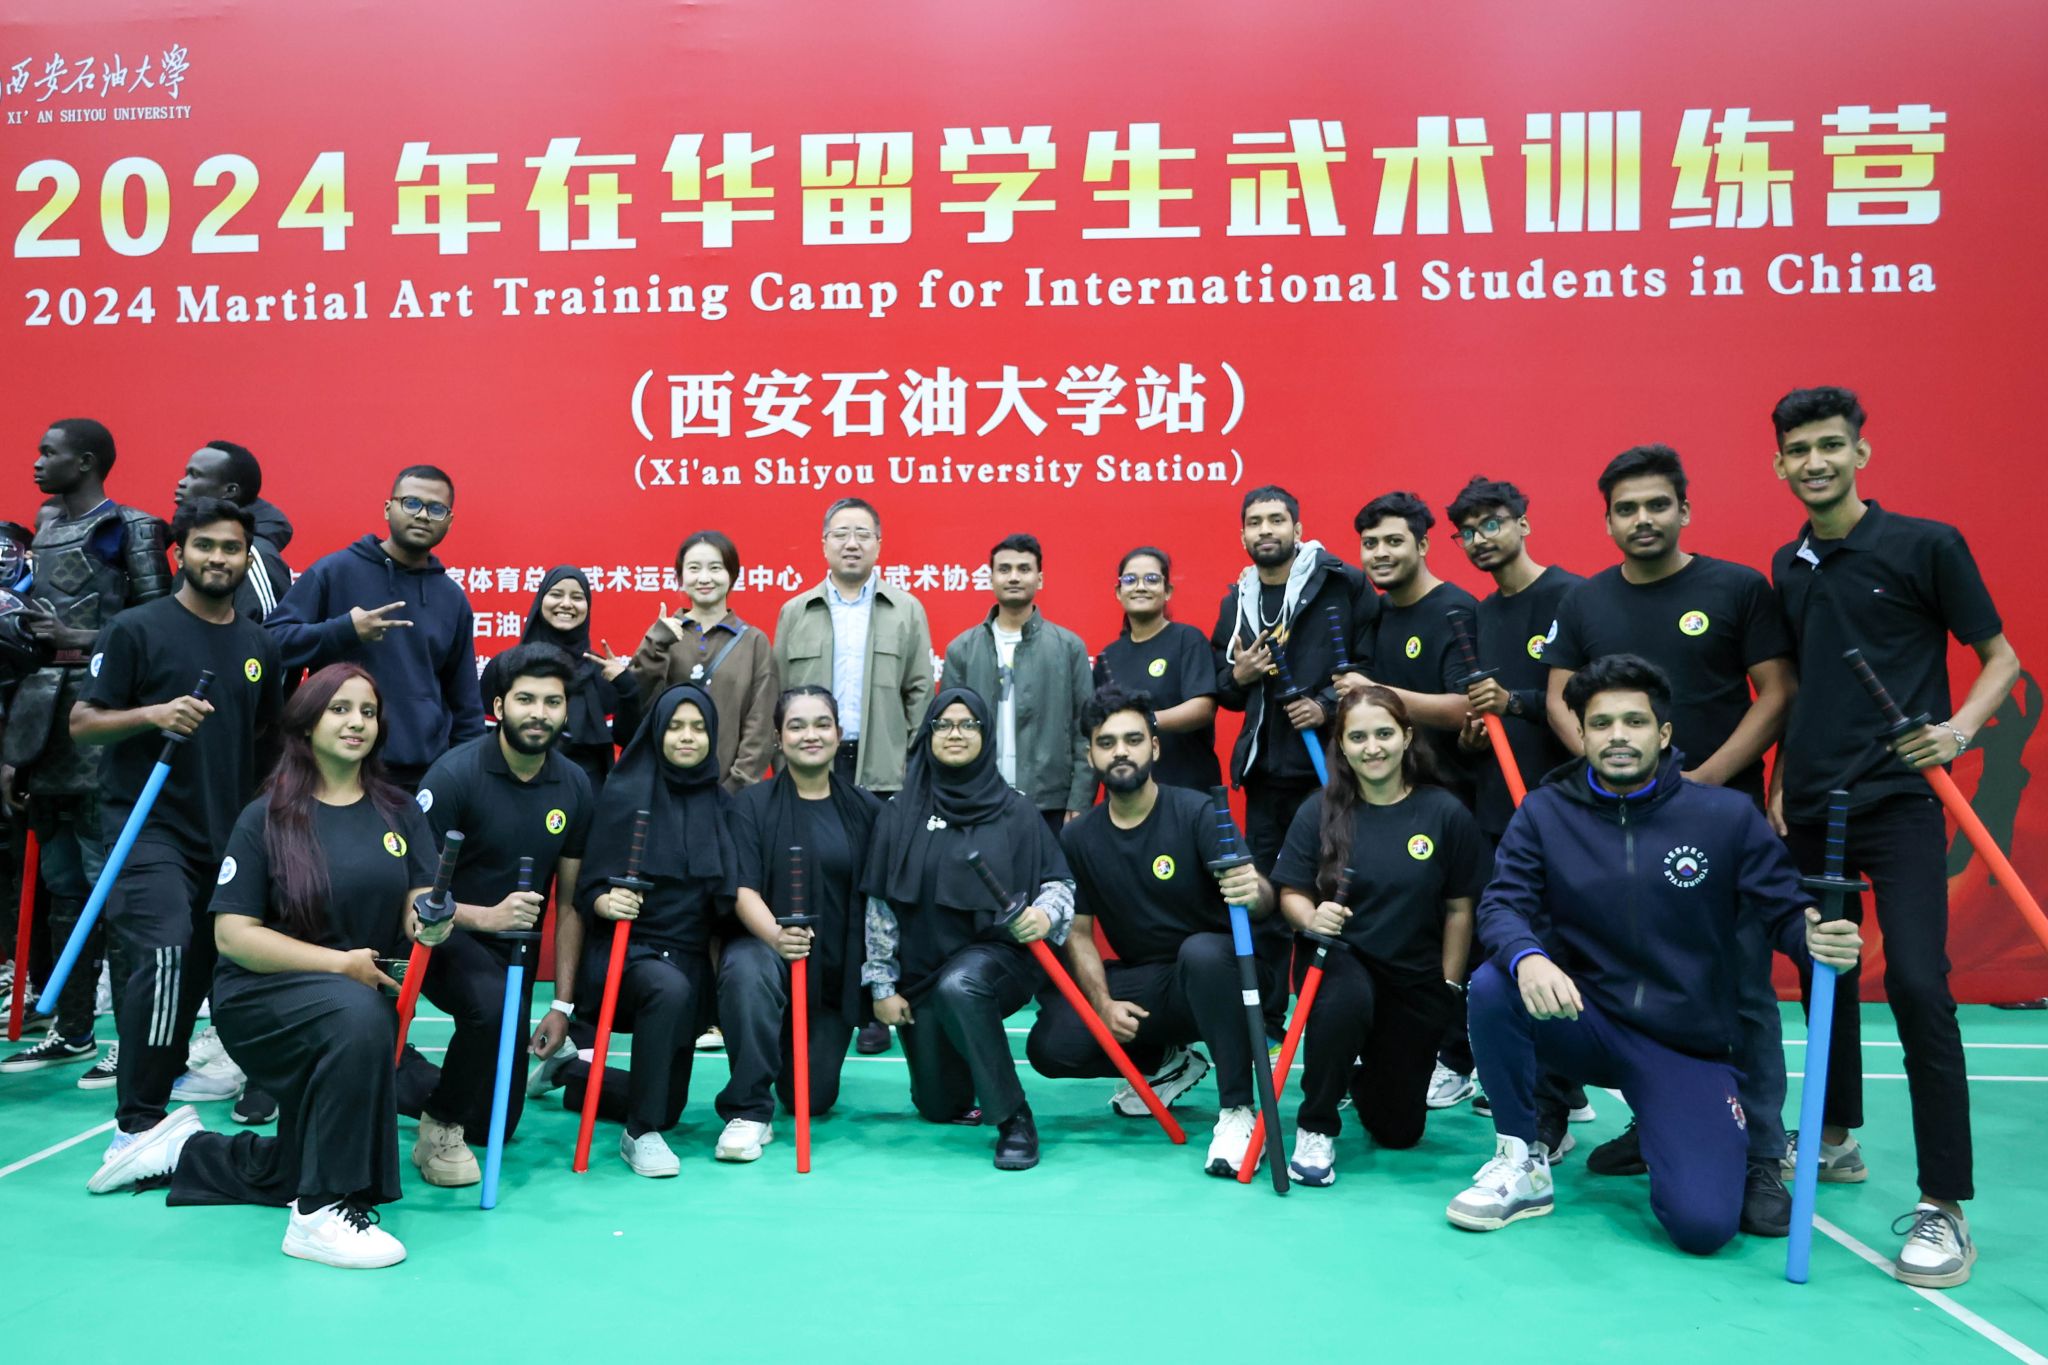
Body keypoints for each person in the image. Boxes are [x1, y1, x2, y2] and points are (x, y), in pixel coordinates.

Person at [1445, 654, 1862, 1256]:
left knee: (1703, 1227)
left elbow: (1784, 911)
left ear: (1663, 733)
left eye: (1634, 722)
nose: (1618, 736)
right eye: (1602, 723)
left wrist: (1815, 938)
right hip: (1585, 1022)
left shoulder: (1725, 816)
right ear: (1581, 734)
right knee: (1495, 983)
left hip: (1682, 1045)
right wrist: (1526, 956)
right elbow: (1501, 904)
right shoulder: (1544, 812)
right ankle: (1521, 1160)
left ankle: (1668, 1130)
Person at [1769, 385, 2019, 1287]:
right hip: (1814, 807)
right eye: (1800, 450)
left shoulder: (1925, 544)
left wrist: (1956, 732)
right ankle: (1834, 1138)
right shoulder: (1789, 563)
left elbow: (2001, 659)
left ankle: (1944, 1203)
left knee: (1917, 982)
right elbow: (1801, 684)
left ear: (1861, 454)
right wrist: (1784, 779)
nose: (1816, 462)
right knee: (1822, 977)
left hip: (1901, 802)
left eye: (1831, 446)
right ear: (1780, 464)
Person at [84, 664, 444, 1271]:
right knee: (361, 1017)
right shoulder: (266, 816)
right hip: (263, 997)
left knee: (292, 1165)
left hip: (352, 993)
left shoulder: (399, 811)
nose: (356, 722)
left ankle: (181, 1150)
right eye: (339, 709)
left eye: (368, 712)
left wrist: (431, 921)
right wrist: (339, 965)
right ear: (306, 724)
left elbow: (418, 899)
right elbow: (233, 935)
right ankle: (319, 1215)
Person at [1543, 443, 1799, 1219]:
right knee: (1631, 981)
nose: (1643, 519)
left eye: (1657, 504)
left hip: (1720, 827)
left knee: (1743, 990)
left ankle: (1762, 1156)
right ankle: (1654, 1121)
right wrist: (1615, 777)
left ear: (1684, 509)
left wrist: (1699, 782)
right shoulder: (1586, 601)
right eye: (1626, 508)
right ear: (1608, 521)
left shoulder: (1737, 588)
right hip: (1618, 830)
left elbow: (1777, 691)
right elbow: (1558, 697)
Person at [68, 498, 282, 1165]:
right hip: (147, 827)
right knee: (163, 952)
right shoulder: (135, 629)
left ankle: (165, 1108)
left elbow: (264, 738)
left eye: (231, 547)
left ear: (247, 557)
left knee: (198, 973)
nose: (218, 558)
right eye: (204, 545)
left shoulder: (257, 643)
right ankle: (136, 1124)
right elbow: (83, 722)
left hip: (226, 836)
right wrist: (154, 714)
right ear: (179, 551)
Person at [1025, 686, 1275, 1177]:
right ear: (1091, 755)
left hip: (1225, 974)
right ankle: (1167, 1061)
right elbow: (1079, 932)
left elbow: (1263, 902)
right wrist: (1102, 1003)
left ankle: (1237, 1110)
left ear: (1155, 748)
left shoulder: (1199, 812)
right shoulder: (1077, 836)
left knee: (1202, 954)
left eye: (1133, 739)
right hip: (1151, 982)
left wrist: (1254, 890)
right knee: (1052, 1042)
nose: (1121, 751)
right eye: (1107, 742)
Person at [2, 420, 169, 1079]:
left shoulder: (132, 527)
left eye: (50, 452)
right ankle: (71, 1030)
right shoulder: (43, 527)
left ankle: (131, 1042)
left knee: (114, 891)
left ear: (87, 461)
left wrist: (79, 635)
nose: (38, 462)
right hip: (44, 721)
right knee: (64, 885)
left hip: (107, 719)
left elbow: (161, 623)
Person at [1272, 685, 1484, 1186]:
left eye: (1384, 734)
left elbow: (1460, 909)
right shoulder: (1319, 810)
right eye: (1358, 737)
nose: (1373, 747)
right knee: (1345, 998)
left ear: (1407, 737)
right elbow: (1290, 894)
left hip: (1412, 975)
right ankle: (1316, 1124)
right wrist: (1312, 918)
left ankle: (1358, 1077)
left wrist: (1448, 986)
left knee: (1398, 1131)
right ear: (1342, 747)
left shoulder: (1445, 813)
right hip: (1339, 959)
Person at [861, 688, 1073, 1170]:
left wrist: (1044, 915)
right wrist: (882, 986)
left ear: (985, 734)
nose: (955, 734)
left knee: (962, 985)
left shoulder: (1017, 810)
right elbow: (881, 907)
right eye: (943, 725)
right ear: (928, 735)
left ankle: (1014, 1118)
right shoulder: (899, 812)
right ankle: (967, 1066)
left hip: (998, 961)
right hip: (923, 975)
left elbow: (1059, 884)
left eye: (968, 724)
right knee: (939, 1107)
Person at [1424, 478, 1584, 1115]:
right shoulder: (1479, 615)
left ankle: (1563, 1087)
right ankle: (1520, 1074)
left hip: (1565, 804)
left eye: (1492, 524)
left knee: (1561, 944)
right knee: (1505, 942)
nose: (1479, 539)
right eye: (1466, 532)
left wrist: (1515, 701)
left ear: (1524, 523)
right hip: (1498, 806)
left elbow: (1590, 704)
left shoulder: (1572, 597)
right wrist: (1472, 734)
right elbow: (1482, 724)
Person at [407, 643, 593, 1184]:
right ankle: (438, 1124)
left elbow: (570, 903)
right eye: (526, 699)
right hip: (444, 937)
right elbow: (415, 895)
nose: (539, 713)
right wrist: (487, 917)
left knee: (494, 1128)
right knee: (488, 1012)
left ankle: (404, 1073)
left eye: (552, 702)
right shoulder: (453, 776)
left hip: (515, 952)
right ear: (498, 706)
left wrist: (561, 1004)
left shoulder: (575, 785)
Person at [535, 684, 738, 1177]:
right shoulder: (624, 793)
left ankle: (571, 1074)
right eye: (675, 726)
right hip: (625, 953)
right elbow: (584, 890)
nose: (687, 737)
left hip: (688, 959)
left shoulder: (723, 804)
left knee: (669, 1106)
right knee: (667, 990)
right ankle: (639, 1134)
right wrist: (606, 901)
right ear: (656, 732)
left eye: (698, 728)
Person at [1210, 485, 1375, 1035]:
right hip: (1266, 775)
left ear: (1297, 529)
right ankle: (1270, 1018)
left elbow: (1370, 665)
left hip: (1334, 773)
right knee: (1266, 897)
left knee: (1335, 891)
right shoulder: (1237, 600)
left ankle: (1336, 1015)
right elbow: (1223, 688)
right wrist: (1240, 675)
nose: (1266, 530)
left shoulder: (1341, 583)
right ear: (1242, 534)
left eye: (1276, 520)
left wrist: (1326, 705)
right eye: (1255, 522)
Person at [776, 499, 933, 1054]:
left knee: (876, 889)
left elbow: (920, 692)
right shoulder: (796, 611)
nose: (851, 543)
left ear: (878, 544)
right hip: (812, 765)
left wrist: (909, 763)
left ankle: (873, 998)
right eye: (841, 533)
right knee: (819, 883)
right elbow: (779, 694)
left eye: (862, 533)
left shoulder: (906, 609)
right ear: (823, 543)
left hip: (881, 768)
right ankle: (817, 995)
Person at [708, 686, 883, 1162]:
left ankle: (784, 1060)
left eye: (822, 724)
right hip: (765, 953)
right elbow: (742, 888)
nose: (811, 735)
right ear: (778, 738)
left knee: (812, 1097)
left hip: (831, 974)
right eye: (797, 726)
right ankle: (748, 1110)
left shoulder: (866, 809)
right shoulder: (751, 805)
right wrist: (776, 937)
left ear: (839, 734)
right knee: (747, 970)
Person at [263, 465, 482, 792]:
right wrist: (344, 630)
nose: (423, 515)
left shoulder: (452, 598)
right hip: (336, 769)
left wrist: (466, 775)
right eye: (411, 503)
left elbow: (465, 703)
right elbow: (271, 642)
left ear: (449, 521)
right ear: (388, 508)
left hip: (420, 776)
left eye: (436, 509)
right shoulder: (335, 571)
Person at [940, 534, 1094, 825]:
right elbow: (946, 733)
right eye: (1004, 569)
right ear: (991, 578)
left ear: (1040, 579)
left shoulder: (1068, 647)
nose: (1013, 577)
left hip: (1050, 802)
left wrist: (1080, 799)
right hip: (977, 797)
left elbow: (1085, 730)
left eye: (1024, 569)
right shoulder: (961, 649)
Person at [1347, 491, 1481, 806]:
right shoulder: (1377, 610)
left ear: (1422, 546)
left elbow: (1468, 708)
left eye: (1394, 541)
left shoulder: (1455, 610)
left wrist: (1376, 693)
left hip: (1450, 795)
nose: (1380, 553)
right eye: (1370, 544)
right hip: (1390, 793)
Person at [628, 531, 777, 792]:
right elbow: (638, 708)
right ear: (680, 577)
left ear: (732, 575)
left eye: (715, 568)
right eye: (694, 568)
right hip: (663, 791)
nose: (704, 578)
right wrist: (656, 643)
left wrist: (735, 788)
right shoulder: (663, 634)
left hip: (729, 795)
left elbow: (760, 726)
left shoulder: (754, 642)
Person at [478, 567, 641, 791]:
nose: (566, 604)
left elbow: (628, 739)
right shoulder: (506, 666)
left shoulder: (601, 671)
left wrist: (626, 687)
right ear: (540, 601)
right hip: (516, 788)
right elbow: (483, 736)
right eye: (556, 594)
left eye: (577, 597)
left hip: (586, 796)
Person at [1091, 547, 1221, 791]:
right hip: (1128, 794)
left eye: (1151, 579)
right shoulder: (1108, 657)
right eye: (1130, 580)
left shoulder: (1187, 639)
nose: (1140, 587)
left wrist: (1145, 720)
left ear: (1167, 590)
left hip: (1188, 789)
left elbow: (1203, 708)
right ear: (1119, 592)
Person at [171, 440, 294, 623]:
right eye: (186, 474)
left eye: (195, 475)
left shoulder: (255, 554)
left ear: (230, 491)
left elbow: (270, 634)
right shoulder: (192, 543)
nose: (182, 482)